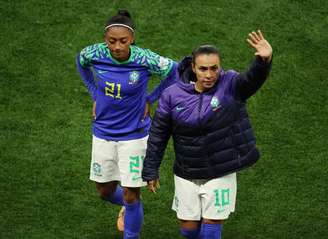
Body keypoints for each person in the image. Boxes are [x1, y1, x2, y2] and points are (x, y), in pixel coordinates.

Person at [142, 30, 272, 239]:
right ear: (193, 68)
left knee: (211, 227)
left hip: (221, 170)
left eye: (214, 68)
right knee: (188, 229)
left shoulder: (230, 83)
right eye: (203, 69)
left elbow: (250, 80)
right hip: (187, 171)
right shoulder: (172, 95)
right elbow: (159, 134)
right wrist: (151, 168)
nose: (209, 74)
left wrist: (263, 62)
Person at [76, 10, 177, 239]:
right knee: (105, 191)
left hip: (135, 134)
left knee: (132, 194)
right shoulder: (94, 53)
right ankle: (128, 206)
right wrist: (95, 93)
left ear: (132, 39)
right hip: (103, 131)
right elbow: (80, 62)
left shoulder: (144, 59)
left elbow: (175, 70)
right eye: (112, 41)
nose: (117, 46)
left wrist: (150, 98)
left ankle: (131, 227)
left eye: (123, 41)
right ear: (106, 40)